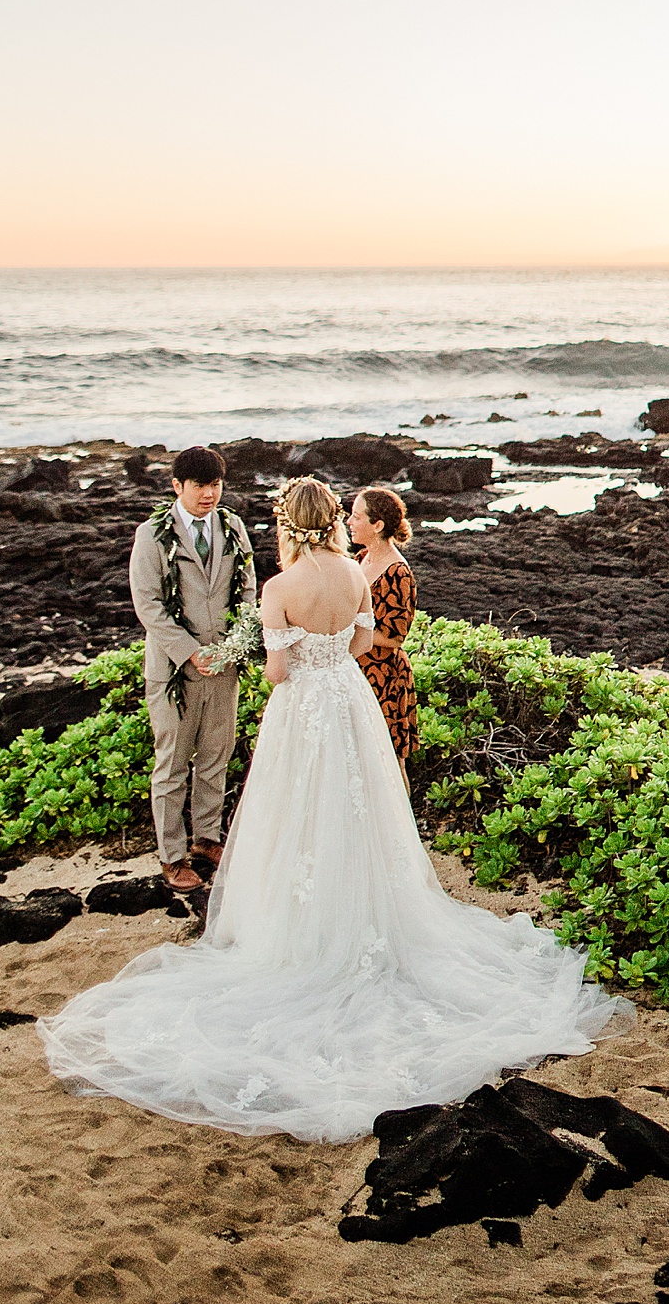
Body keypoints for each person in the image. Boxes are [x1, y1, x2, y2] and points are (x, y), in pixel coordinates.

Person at [39, 476, 631, 1141]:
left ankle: (292, 928)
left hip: (303, 708)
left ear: (287, 525)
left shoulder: (278, 588)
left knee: (296, 817)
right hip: (348, 701)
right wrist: (329, 667)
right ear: (332, 522)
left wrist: (296, 664)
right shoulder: (355, 574)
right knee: (359, 811)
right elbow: (362, 643)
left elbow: (276, 671)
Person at [128, 444, 255, 895]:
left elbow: (247, 591)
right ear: (177, 486)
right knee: (173, 764)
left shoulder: (233, 525)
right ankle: (172, 855)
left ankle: (206, 840)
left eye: (216, 485)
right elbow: (148, 604)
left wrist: (234, 646)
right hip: (174, 671)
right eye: (200, 486)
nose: (209, 494)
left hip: (224, 665)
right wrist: (189, 651)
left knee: (217, 756)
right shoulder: (152, 535)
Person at [350, 484, 419, 785]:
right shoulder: (361, 558)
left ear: (376, 525)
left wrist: (347, 627)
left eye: (356, 517)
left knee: (389, 764)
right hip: (356, 670)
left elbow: (395, 637)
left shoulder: (397, 573)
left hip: (384, 677)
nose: (349, 523)